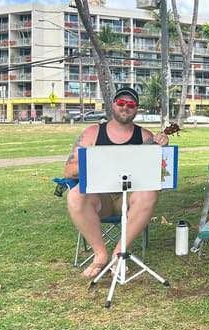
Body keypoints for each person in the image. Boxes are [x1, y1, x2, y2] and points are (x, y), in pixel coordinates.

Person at [64, 86, 169, 279]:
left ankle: (119, 254)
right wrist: (97, 161)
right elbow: (69, 171)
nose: (125, 107)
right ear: (113, 105)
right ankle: (100, 255)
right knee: (76, 195)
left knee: (150, 192)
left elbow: (160, 173)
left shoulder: (145, 136)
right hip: (100, 198)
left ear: (136, 108)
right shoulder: (92, 133)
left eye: (131, 104)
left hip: (128, 199)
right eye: (121, 103)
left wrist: (162, 148)